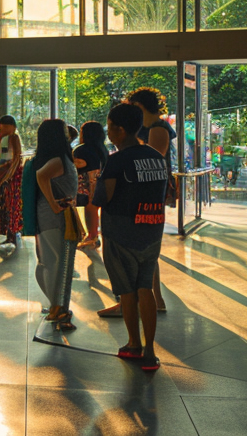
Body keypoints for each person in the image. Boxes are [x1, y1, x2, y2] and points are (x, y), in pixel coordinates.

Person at [92, 101, 169, 370]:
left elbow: (103, 198)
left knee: (127, 291)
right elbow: (169, 194)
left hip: (121, 231)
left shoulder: (117, 160)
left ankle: (134, 344)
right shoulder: (157, 157)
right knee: (144, 287)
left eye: (110, 127)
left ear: (121, 130)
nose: (108, 132)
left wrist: (94, 185)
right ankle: (150, 351)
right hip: (152, 228)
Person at [29, 118, 81, 328]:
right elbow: (42, 176)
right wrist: (53, 203)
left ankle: (55, 306)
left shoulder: (54, 158)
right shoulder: (58, 160)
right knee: (61, 263)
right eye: (63, 130)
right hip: (56, 217)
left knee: (51, 262)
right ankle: (58, 310)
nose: (68, 133)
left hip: (51, 215)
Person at [0, 113, 24, 253]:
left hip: (9, 177)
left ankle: (12, 234)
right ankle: (10, 234)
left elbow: (16, 157)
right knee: (5, 206)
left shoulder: (13, 138)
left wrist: (7, 174)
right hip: (3, 176)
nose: (1, 130)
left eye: (4, 127)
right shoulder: (3, 139)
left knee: (10, 205)